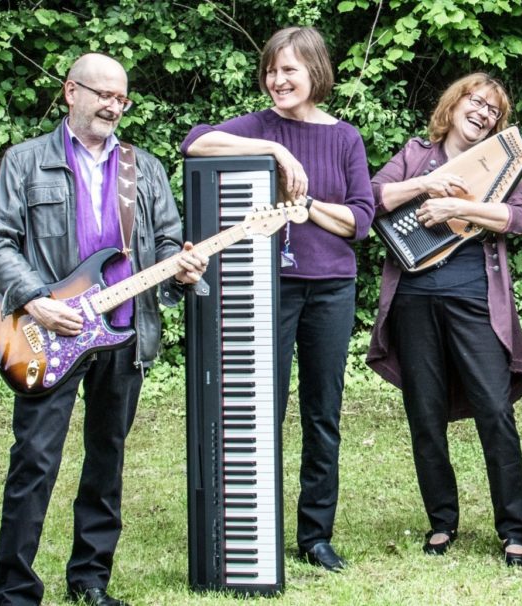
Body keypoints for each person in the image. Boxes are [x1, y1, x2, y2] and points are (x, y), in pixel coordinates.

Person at [0, 52, 207, 606]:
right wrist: (36, 301)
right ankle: (15, 592)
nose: (113, 106)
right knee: (35, 461)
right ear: (71, 92)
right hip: (49, 332)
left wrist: (182, 268)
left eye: (121, 97)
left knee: (107, 461)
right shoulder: (26, 161)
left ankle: (89, 581)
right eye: (103, 94)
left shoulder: (143, 167)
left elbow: (169, 240)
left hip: (123, 334)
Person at [180, 26, 375, 572]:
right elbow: (195, 143)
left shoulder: (345, 138)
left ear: (316, 71)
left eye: (289, 69)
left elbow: (360, 220)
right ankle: (255, 526)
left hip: (331, 289)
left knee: (322, 412)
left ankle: (315, 535)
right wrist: (272, 148)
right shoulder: (259, 127)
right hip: (269, 288)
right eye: (271, 70)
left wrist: (306, 205)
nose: (277, 79)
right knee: (261, 408)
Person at [365, 73, 522, 566]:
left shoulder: (501, 163)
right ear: (454, 104)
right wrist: (426, 185)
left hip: (474, 298)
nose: (483, 113)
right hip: (413, 300)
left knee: (495, 410)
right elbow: (371, 198)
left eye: (493, 111)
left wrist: (459, 207)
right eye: (476, 102)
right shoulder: (417, 154)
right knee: (425, 414)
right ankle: (442, 522)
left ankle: (513, 529)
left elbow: (520, 219)